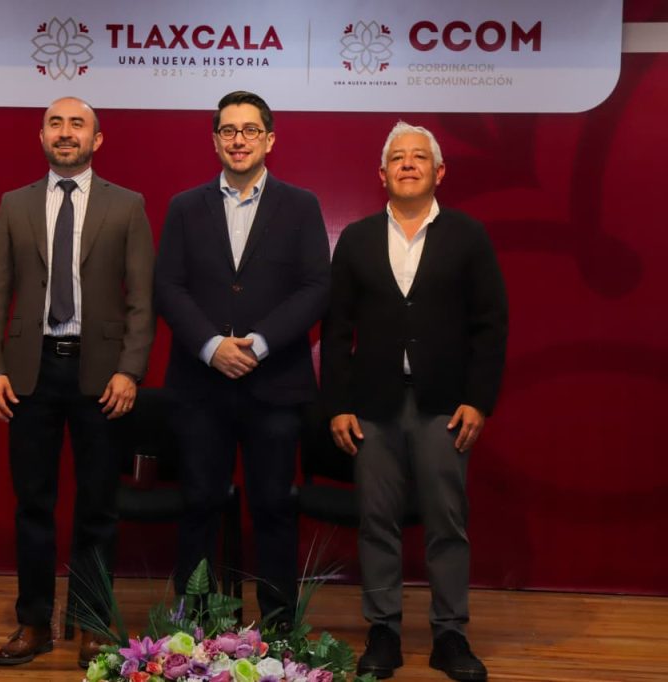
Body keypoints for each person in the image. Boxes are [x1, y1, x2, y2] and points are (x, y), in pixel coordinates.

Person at [321, 122, 508, 682]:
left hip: (444, 405)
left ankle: (450, 634)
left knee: (447, 521)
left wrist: (479, 401)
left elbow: (491, 324)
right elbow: (335, 329)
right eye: (397, 158)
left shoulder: (468, 236)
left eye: (418, 157)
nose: (407, 164)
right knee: (376, 519)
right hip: (372, 406)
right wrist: (337, 404)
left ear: (438, 171)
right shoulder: (356, 238)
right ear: (381, 174)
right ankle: (383, 631)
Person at [0, 97, 155, 668]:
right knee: (33, 504)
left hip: (101, 376)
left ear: (97, 140)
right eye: (56, 123)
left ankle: (94, 623)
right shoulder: (14, 204)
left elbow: (142, 299)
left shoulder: (127, 205)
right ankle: (34, 622)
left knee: (98, 506)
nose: (66, 132)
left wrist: (130, 369)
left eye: (78, 124)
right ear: (42, 136)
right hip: (30, 374)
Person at [155, 91, 330, 625]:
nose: (239, 140)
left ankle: (278, 629)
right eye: (228, 130)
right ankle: (194, 628)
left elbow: (316, 287)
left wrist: (259, 342)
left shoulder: (301, 205)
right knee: (199, 504)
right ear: (215, 141)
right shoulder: (185, 207)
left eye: (250, 130)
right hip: (200, 385)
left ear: (269, 140)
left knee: (274, 508)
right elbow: (168, 286)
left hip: (274, 383)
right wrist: (212, 347)